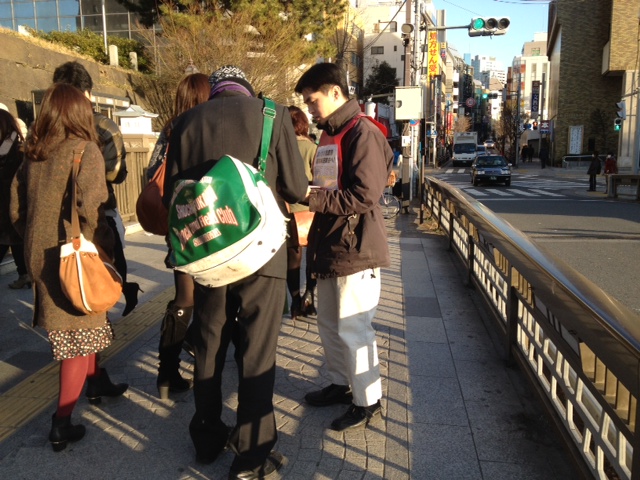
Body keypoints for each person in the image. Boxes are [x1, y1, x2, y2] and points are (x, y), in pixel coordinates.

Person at [163, 66, 308, 477]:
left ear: (214, 91)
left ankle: (207, 439)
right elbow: (297, 189)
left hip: (210, 253)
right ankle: (250, 457)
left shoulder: (185, 123)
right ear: (246, 90)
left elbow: (173, 195)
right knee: (256, 352)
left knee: (209, 346)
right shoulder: (271, 114)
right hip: (262, 253)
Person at [10, 83, 127, 452]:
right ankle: (61, 422)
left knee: (84, 326)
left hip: (40, 255)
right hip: (75, 257)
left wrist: (34, 238)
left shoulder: (33, 154)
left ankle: (97, 381)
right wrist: (99, 247)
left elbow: (15, 210)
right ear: (78, 113)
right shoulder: (84, 149)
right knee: (76, 340)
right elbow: (92, 209)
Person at [294, 63, 393, 431]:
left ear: (335, 92)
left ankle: (367, 401)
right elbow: (328, 186)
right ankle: (340, 383)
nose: (309, 109)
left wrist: (310, 197)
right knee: (329, 324)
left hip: (356, 247)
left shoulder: (363, 133)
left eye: (313, 100)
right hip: (331, 244)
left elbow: (365, 195)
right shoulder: (330, 133)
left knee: (353, 328)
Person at [52, 61, 139, 317]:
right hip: (98, 211)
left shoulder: (43, 130)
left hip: (52, 220)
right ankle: (115, 297)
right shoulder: (103, 126)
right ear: (88, 93)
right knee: (108, 261)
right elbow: (116, 173)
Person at [147, 72, 210, 399]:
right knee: (212, 296)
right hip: (206, 223)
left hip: (176, 223)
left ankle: (166, 374)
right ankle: (204, 367)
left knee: (183, 298)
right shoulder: (205, 127)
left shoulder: (169, 130)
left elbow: (152, 172)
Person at [287, 105, 317, 319]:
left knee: (293, 260)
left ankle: (295, 301)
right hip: (311, 210)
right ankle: (309, 296)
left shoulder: (281, 148)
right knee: (312, 257)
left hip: (288, 210)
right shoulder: (313, 148)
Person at [0, 109, 30, 289]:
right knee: (15, 239)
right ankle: (24, 274)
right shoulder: (13, 148)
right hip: (11, 208)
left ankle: (25, 274)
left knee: (10, 239)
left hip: (10, 206)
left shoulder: (15, 151)